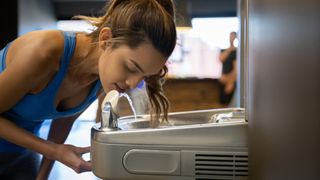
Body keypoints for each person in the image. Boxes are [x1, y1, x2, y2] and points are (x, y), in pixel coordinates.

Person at [0, 0, 177, 179]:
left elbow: (63, 123)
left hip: (21, 152)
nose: (133, 84)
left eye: (144, 76)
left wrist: (42, 176)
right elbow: (55, 148)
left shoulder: (102, 77)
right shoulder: (43, 53)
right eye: (131, 67)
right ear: (106, 40)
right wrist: (55, 152)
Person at [218, 31, 237, 106]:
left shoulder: (237, 52)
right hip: (224, 78)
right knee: (222, 101)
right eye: (230, 36)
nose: (231, 38)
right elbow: (221, 59)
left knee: (229, 102)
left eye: (233, 36)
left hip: (231, 79)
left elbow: (236, 69)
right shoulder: (224, 50)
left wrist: (231, 80)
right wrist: (230, 49)